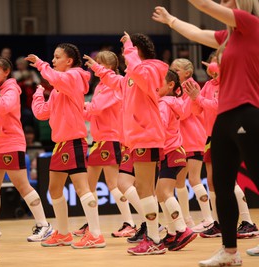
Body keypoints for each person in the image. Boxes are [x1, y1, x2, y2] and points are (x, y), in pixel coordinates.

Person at [153, 1, 259, 265]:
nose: (222, 4)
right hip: (224, 117)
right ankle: (230, 252)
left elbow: (204, 5)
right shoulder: (227, 39)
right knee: (220, 186)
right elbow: (196, 34)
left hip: (248, 111)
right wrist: (171, 20)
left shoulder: (250, 23)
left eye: (226, 0)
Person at [85, 32, 168, 255]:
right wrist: (98, 68)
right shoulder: (133, 75)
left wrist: (129, 47)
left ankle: (155, 238)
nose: (123, 54)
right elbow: (117, 82)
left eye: (127, 51)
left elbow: (138, 72)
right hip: (136, 138)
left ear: (136, 50)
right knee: (135, 186)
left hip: (147, 135)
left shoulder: (150, 69)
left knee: (144, 189)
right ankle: (154, 234)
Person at [26, 43, 105, 249]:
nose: (53, 60)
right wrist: (38, 93)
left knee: (82, 188)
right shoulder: (58, 89)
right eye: (52, 57)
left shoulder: (75, 76)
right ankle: (63, 233)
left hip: (74, 141)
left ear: (68, 61)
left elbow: (55, 77)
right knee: (54, 189)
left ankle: (95, 234)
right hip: (60, 143)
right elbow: (42, 113)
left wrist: (41, 65)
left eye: (57, 57)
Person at [185, 55, 258, 240]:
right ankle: (218, 223)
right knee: (212, 180)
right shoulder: (209, 85)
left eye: (216, 62)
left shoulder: (229, 83)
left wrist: (198, 98)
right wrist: (195, 99)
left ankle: (247, 222)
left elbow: (219, 107)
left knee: (227, 180)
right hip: (212, 134)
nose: (212, 66)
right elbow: (197, 111)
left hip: (230, 132)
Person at [0, 56, 52, 242]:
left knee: (23, 186)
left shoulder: (11, 88)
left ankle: (44, 225)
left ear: (6, 72)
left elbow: (2, 107)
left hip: (10, 142)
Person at [75, 50, 137, 238]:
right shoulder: (101, 85)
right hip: (99, 139)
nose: (94, 65)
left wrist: (79, 102)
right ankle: (91, 223)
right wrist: (78, 109)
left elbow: (97, 107)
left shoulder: (114, 85)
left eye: (98, 63)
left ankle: (130, 223)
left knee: (113, 184)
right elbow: (92, 113)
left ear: (108, 67)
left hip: (110, 138)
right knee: (89, 185)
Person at [155, 69, 197, 251]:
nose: (155, 85)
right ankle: (172, 233)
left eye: (159, 82)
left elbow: (160, 126)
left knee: (164, 191)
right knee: (160, 192)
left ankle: (182, 229)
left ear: (171, 85)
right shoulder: (172, 102)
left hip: (172, 151)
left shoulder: (164, 103)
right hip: (171, 152)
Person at [170, 58, 213, 232]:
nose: (173, 72)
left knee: (194, 178)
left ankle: (208, 218)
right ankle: (186, 220)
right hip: (181, 140)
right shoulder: (178, 88)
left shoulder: (190, 86)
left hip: (193, 137)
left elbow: (184, 112)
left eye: (176, 70)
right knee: (179, 182)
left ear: (187, 72)